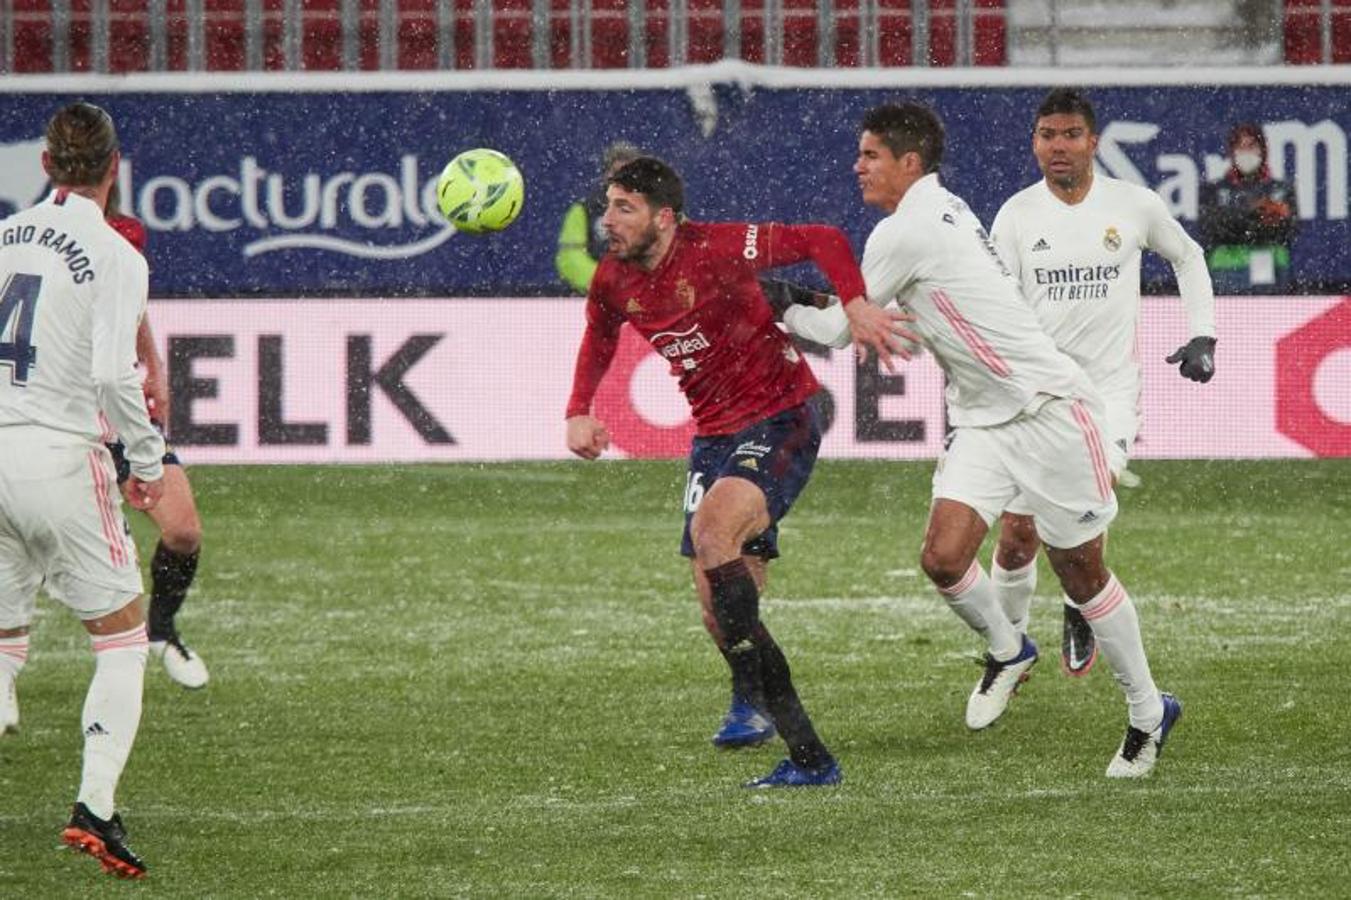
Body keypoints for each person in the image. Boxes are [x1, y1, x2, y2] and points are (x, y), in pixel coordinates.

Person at [782, 102, 1182, 777]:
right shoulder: (942, 209)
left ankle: (1148, 712)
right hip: (983, 420)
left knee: (1081, 574)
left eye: (870, 155)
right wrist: (792, 299)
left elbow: (838, 330)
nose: (857, 166)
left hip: (1048, 410)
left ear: (909, 163)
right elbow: (861, 312)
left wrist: (770, 302)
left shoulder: (905, 231)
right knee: (943, 558)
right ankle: (1009, 649)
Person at [564, 156, 908, 787]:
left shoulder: (717, 247)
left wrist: (856, 304)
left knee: (714, 533)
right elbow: (600, 336)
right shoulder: (613, 278)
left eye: (624, 208)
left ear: (664, 218)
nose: (606, 220)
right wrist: (579, 410)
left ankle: (809, 755)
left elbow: (822, 239)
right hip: (713, 436)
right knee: (716, 608)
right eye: (608, 205)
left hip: (782, 417)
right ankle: (752, 697)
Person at [987, 88, 1217, 679]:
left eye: (1070, 135)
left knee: (1085, 512)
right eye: (1047, 135)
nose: (1058, 146)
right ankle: (1008, 650)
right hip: (1036, 399)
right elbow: (994, 304)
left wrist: (1203, 334)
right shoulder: (1015, 216)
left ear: (1093, 142)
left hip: (1108, 395)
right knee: (1017, 536)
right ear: (1034, 143)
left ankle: (1079, 600)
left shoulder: (1134, 204)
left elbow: (1188, 256)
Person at [0, 101, 163, 876]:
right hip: (61, 458)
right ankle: (95, 808)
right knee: (123, 639)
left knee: (4, 640)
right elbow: (111, 374)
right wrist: (147, 463)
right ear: (114, 166)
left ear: (45, 165)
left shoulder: (3, 235)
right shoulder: (115, 253)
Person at [105, 186, 209, 689]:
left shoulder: (124, 235)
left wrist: (154, 365)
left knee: (183, 531)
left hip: (120, 406)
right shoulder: (31, 238)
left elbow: (133, 306)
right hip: (57, 410)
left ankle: (161, 631)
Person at [1197, 123, 1299, 294]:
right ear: (1232, 151)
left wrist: (1241, 220)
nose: (1246, 152)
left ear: (1263, 150)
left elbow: (1289, 230)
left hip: (1272, 271)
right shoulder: (1213, 190)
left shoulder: (1282, 189)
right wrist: (1255, 214)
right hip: (1227, 273)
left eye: (1251, 146)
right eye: (1240, 146)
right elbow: (1212, 228)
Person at [556, 142, 645, 295]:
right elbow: (569, 258)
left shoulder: (657, 211)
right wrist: (606, 282)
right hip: (594, 300)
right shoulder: (584, 211)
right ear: (606, 175)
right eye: (617, 172)